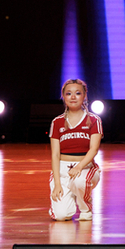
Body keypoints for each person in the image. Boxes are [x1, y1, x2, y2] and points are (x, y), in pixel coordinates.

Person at [49, 79, 103, 221]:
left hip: (85, 167)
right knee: (61, 216)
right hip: (63, 170)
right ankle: (68, 195)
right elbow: (55, 155)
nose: (73, 97)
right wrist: (57, 184)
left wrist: (79, 167)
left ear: (84, 96)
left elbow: (94, 149)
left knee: (79, 181)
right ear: (63, 96)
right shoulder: (57, 122)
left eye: (78, 93)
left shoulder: (94, 120)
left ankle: (85, 208)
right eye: (68, 93)